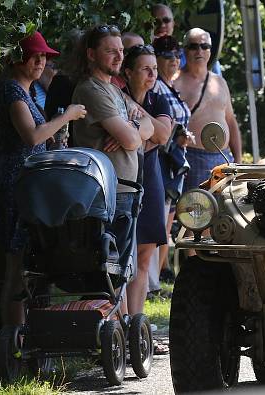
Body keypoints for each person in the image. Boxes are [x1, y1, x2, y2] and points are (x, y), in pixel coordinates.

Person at [0, 32, 86, 326]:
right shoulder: (11, 91)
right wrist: (66, 116)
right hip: (13, 184)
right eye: (35, 56)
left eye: (44, 57)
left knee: (26, 265)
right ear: (18, 59)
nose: (41, 61)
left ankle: (23, 336)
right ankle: (14, 342)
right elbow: (31, 137)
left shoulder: (24, 91)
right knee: (14, 267)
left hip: (26, 184)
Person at [71, 25, 155, 318]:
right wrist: (132, 132)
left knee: (120, 270)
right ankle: (101, 331)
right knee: (107, 270)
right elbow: (135, 138)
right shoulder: (92, 89)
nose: (119, 56)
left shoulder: (115, 89)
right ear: (92, 54)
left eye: (121, 50)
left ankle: (112, 332)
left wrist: (130, 129)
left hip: (127, 189)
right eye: (111, 50)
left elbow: (149, 126)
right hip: (108, 192)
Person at [121, 44, 172, 322]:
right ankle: (120, 322)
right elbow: (151, 134)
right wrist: (147, 131)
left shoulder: (158, 100)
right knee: (122, 255)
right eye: (145, 68)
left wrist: (137, 115)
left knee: (144, 255)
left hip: (151, 175)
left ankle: (135, 327)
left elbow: (163, 136)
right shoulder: (116, 96)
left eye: (155, 68)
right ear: (128, 71)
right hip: (123, 175)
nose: (153, 74)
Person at [175, 28, 242, 193]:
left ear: (210, 50)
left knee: (225, 214)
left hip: (223, 158)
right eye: (193, 46)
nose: (199, 51)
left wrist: (238, 162)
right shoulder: (175, 81)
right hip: (191, 157)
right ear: (185, 49)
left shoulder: (219, 82)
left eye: (204, 46)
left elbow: (231, 121)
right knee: (195, 214)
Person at [152, 34, 191, 290]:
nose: (174, 61)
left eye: (178, 56)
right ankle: (152, 281)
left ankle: (155, 279)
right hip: (161, 161)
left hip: (174, 162)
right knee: (159, 225)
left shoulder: (168, 86)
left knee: (166, 223)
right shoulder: (156, 87)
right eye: (168, 57)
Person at [151, 3, 222, 75]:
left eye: (166, 20)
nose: (162, 25)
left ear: (173, 23)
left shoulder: (196, 55)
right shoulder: (144, 53)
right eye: (156, 22)